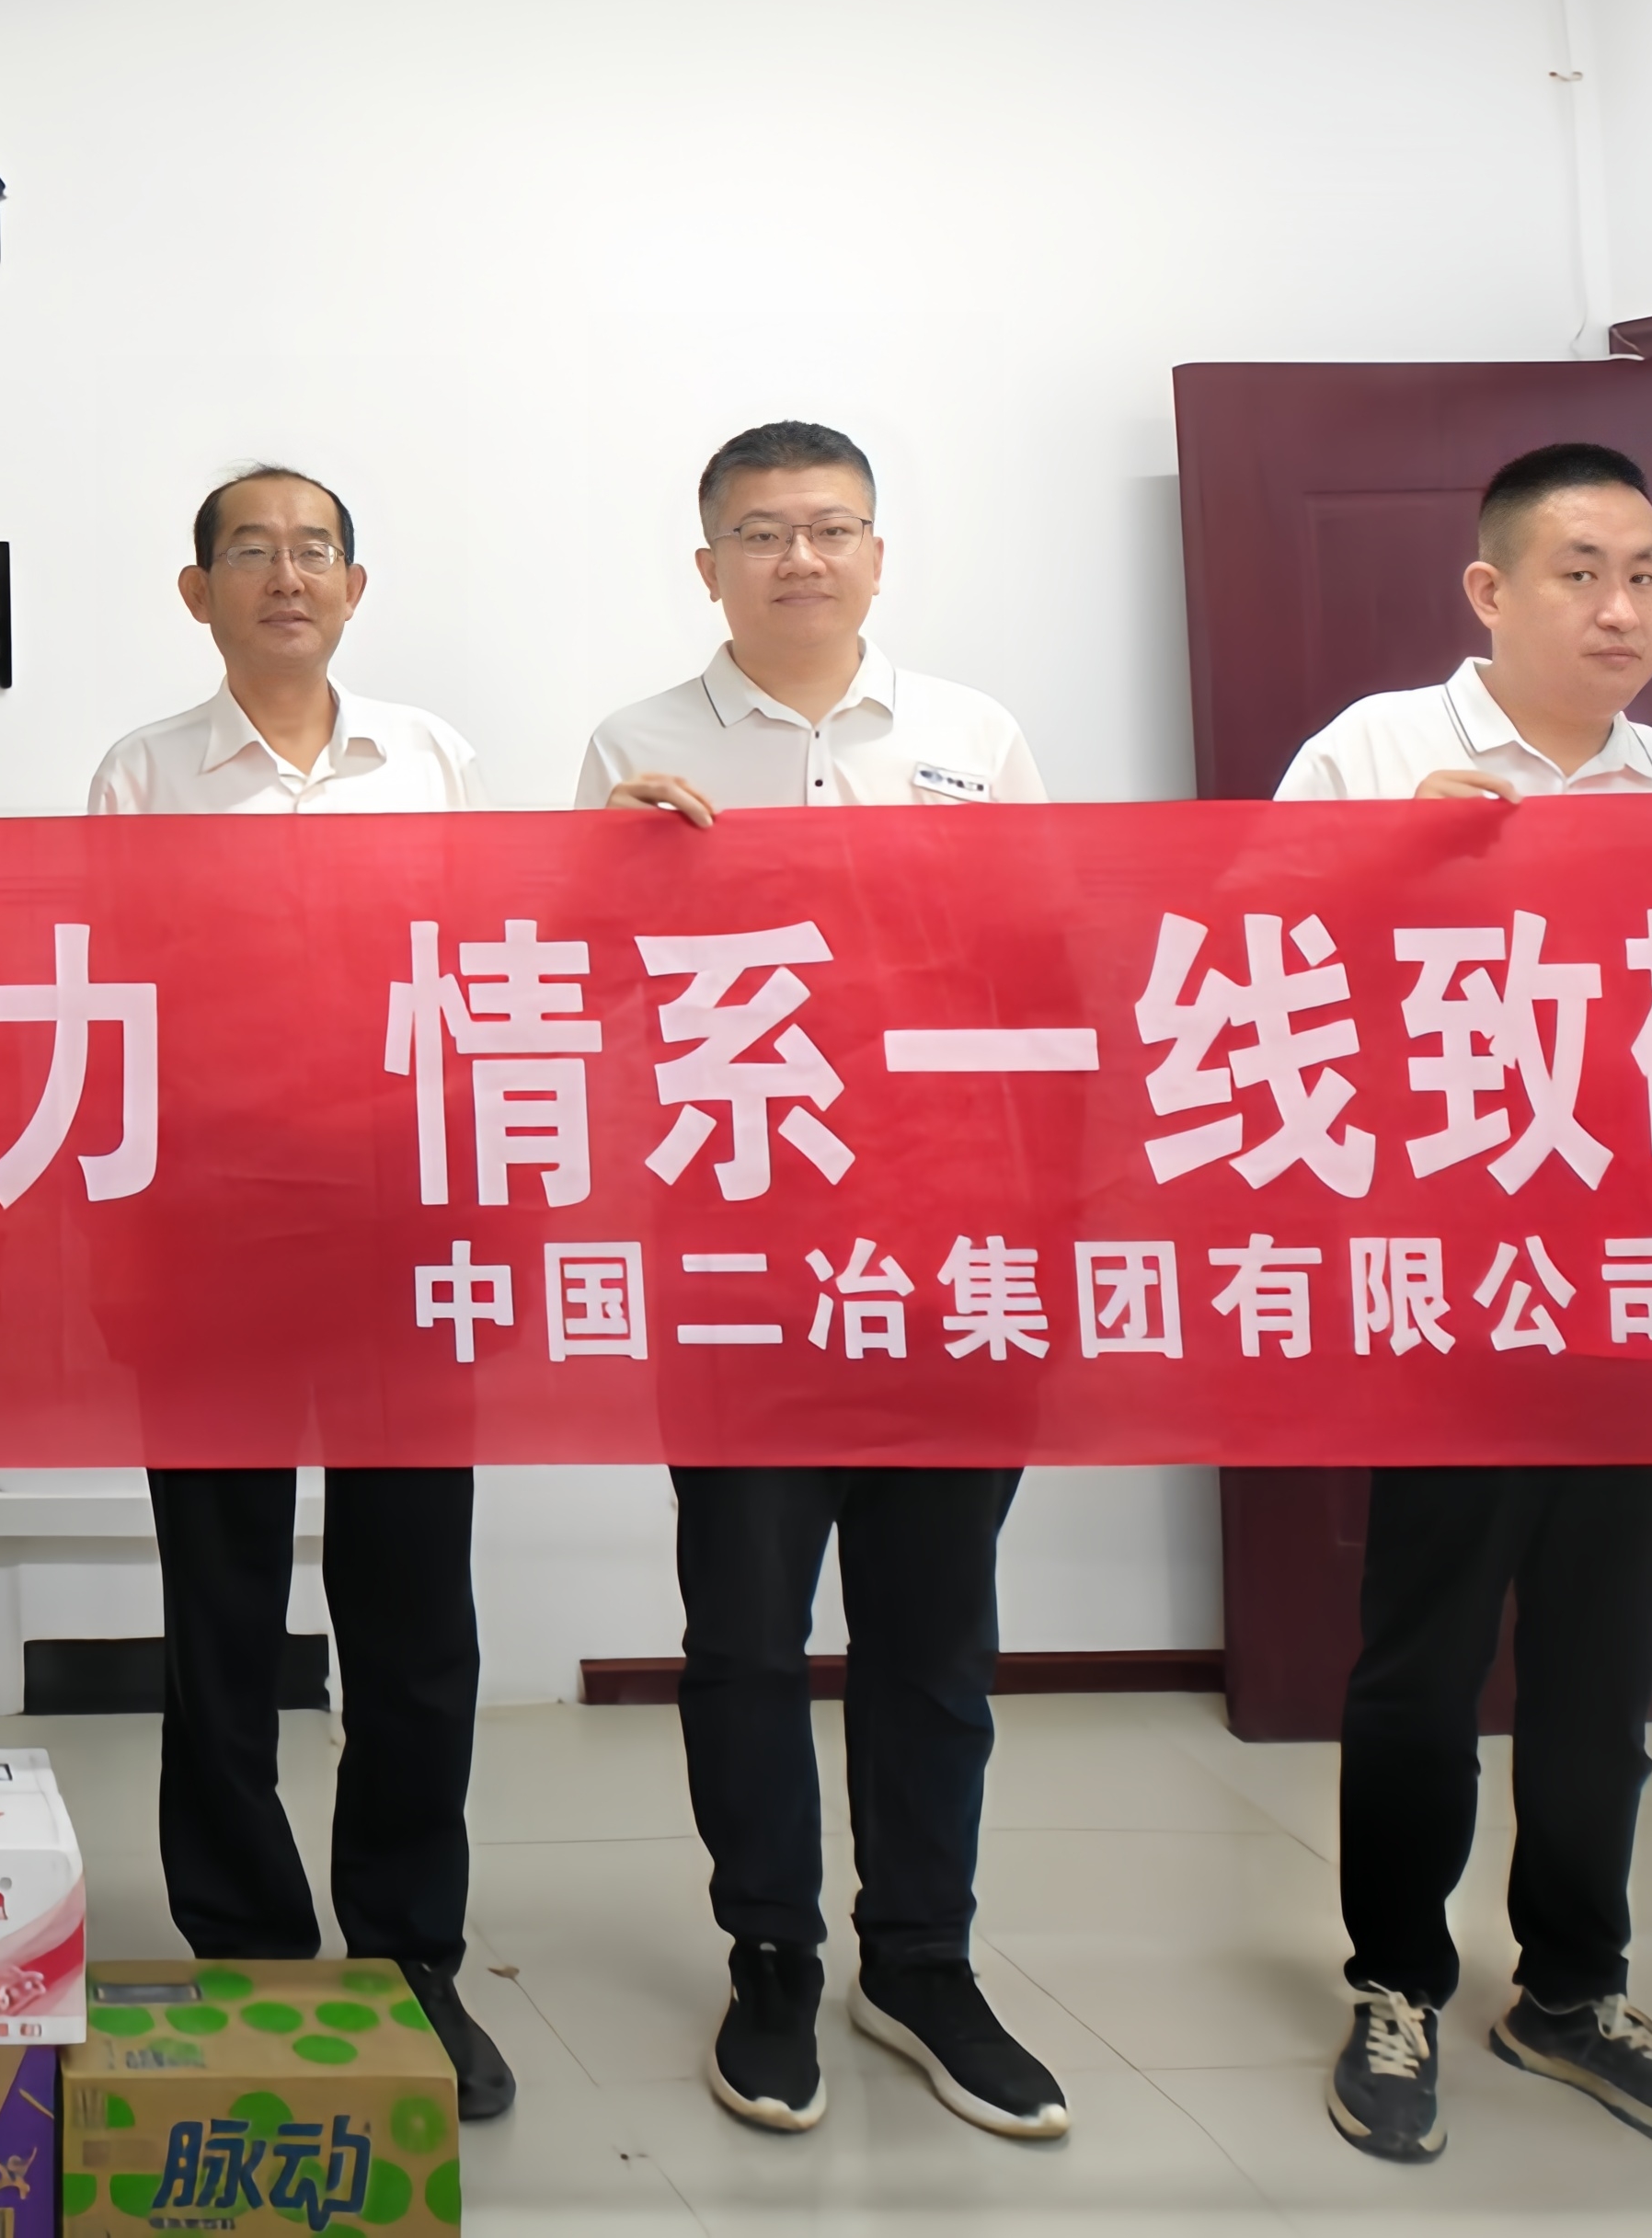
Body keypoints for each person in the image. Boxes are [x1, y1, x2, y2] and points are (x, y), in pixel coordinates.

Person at [577, 418, 1066, 2140]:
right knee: (745, 1636)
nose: (801, 557)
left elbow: (1037, 974)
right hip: (739, 1260)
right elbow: (582, 1005)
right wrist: (602, 879)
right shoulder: (635, 746)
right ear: (707, 565)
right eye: (765, 532)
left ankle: (922, 1960)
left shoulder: (971, 737)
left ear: (876, 554)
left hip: (948, 1252)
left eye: (832, 527)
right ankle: (772, 1955)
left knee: (934, 1636)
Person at [1276, 442, 1652, 2171]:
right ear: (1490, 591)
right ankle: (1395, 1982)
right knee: (1420, 1663)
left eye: (1644, 574)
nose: (1621, 608)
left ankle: (1571, 1988)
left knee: (1600, 1669)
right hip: (1450, 1289)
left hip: (1641, 1288)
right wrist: (1384, 868)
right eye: (1580, 572)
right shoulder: (1369, 756)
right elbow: (1240, 975)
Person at [87, 467, 511, 2122]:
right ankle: (246, 1947)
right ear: (196, 593)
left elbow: (499, 971)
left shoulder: (435, 759)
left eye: (313, 550)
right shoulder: (141, 774)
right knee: (222, 1610)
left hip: (405, 1233)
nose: (286, 575)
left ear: (354, 586)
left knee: (413, 1617)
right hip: (210, 1240)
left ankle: (411, 1956)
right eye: (250, 553)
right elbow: (107, 1006)